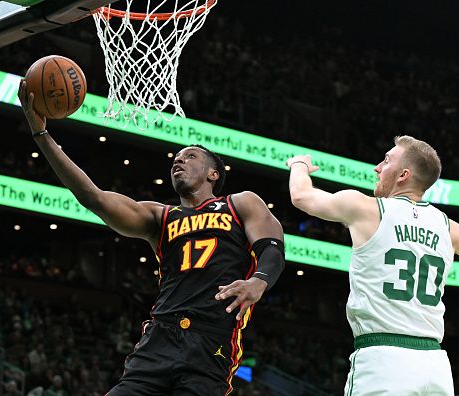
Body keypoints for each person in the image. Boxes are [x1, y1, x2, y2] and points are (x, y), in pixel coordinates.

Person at [18, 81, 285, 395]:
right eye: (176, 158)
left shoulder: (240, 203)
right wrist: (41, 134)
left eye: (191, 157)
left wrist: (259, 281)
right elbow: (95, 199)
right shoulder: (159, 217)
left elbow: (272, 248)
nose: (178, 160)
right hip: (159, 338)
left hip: (211, 339)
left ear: (213, 173)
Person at [287, 135, 459, 396]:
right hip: (434, 367)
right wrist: (457, 234)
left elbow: (302, 196)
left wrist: (299, 164)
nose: (377, 167)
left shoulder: (366, 208)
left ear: (403, 175)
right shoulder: (445, 225)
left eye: (386, 160)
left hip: (384, 361)